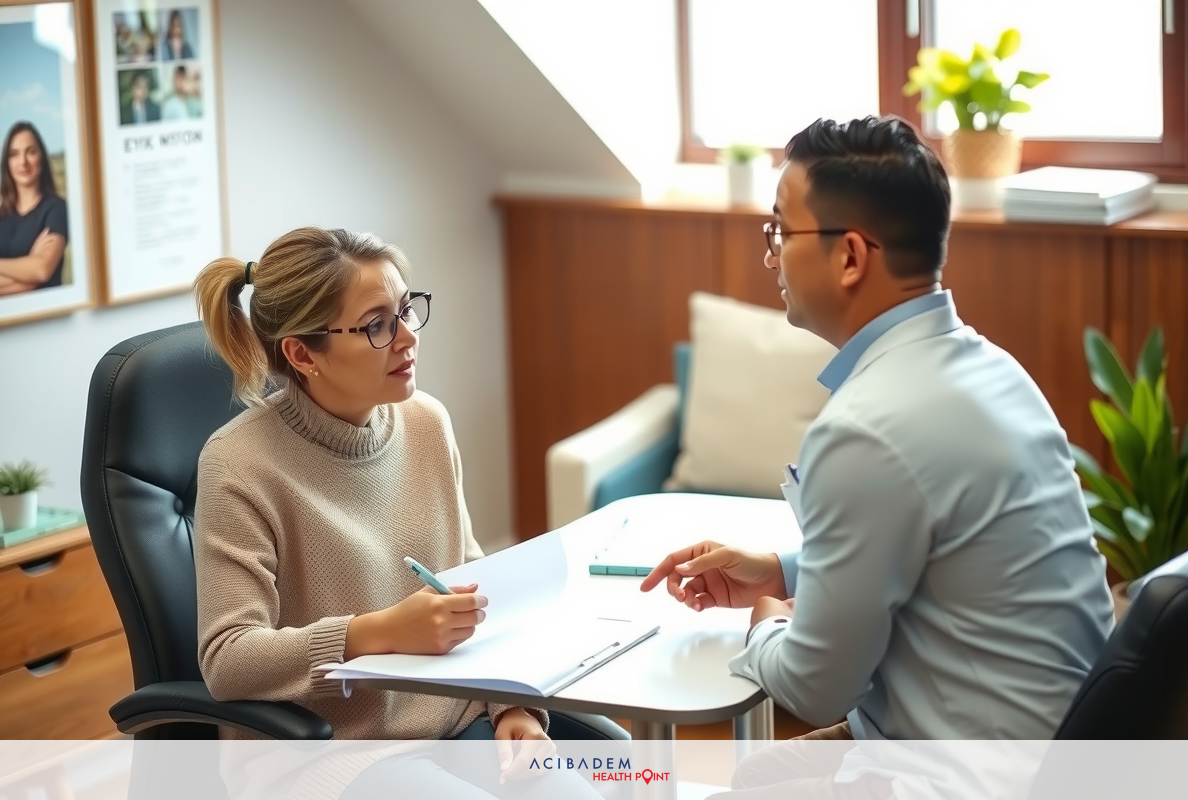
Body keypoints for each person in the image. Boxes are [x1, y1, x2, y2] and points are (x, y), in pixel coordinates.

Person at [641, 117, 1113, 794]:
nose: (770, 256)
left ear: (851, 257)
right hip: (1060, 748)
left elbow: (817, 684)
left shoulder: (865, 428)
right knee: (759, 776)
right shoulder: (996, 370)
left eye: (781, 231)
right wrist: (783, 573)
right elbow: (942, 555)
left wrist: (763, 624)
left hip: (975, 774)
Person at [193, 227, 603, 800]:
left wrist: (513, 707)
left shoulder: (427, 424)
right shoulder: (237, 463)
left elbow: (468, 578)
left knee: (590, 789)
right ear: (302, 354)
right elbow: (227, 659)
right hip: (326, 757)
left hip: (456, 726)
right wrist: (376, 632)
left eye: (407, 309)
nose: (408, 337)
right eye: (378, 324)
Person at [0, 121, 68, 295]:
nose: (23, 162)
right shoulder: (2, 215)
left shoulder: (57, 209)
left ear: (42, 158)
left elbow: (42, 271)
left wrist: (34, 271)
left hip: (47, 317)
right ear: (7, 163)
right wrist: (28, 273)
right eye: (14, 154)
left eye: (31, 152)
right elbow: (35, 274)